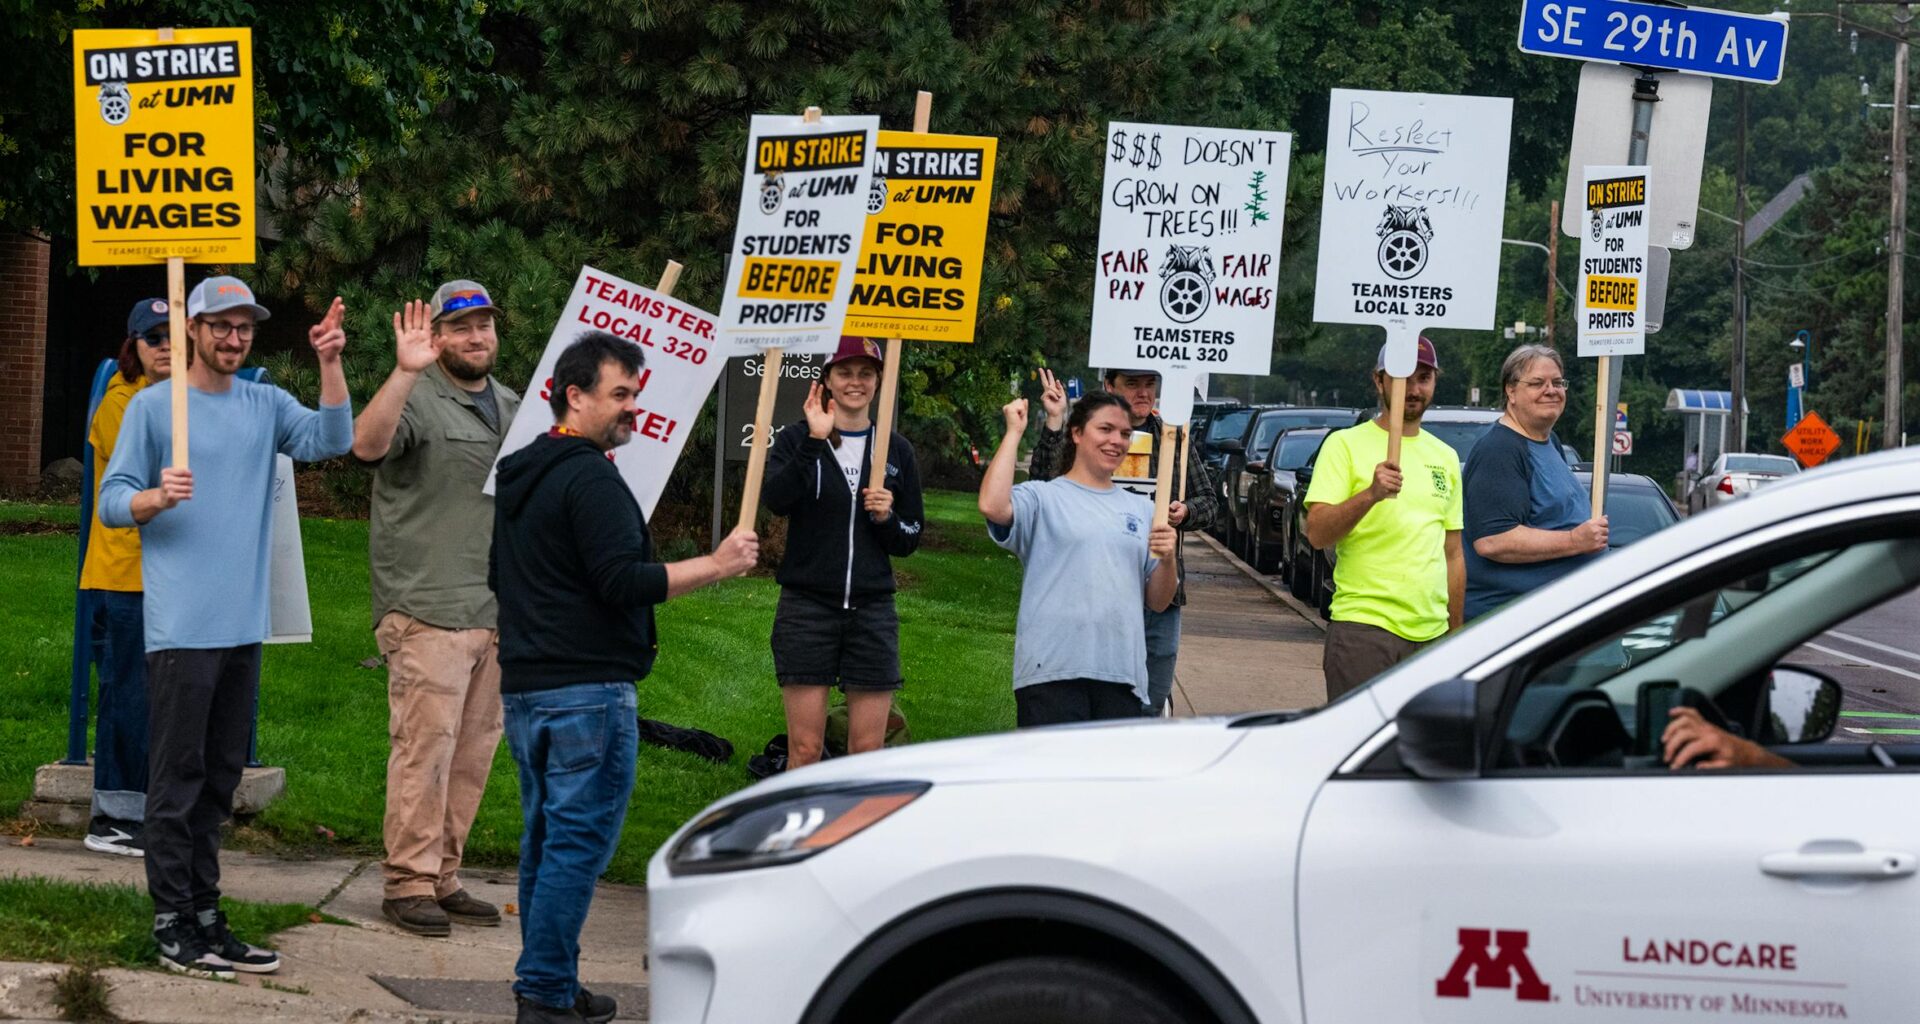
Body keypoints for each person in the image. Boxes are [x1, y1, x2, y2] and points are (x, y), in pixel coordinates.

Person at [490, 331, 758, 1024]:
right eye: (619, 394)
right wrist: (718, 564)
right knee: (575, 847)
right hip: (586, 693)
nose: (632, 407)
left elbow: (503, 576)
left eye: (636, 394)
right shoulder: (588, 477)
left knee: (546, 842)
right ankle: (544, 995)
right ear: (573, 396)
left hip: (527, 688)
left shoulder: (524, 471)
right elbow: (622, 581)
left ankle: (551, 979)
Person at [99, 276, 353, 978]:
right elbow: (111, 503)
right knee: (176, 783)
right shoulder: (155, 409)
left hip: (243, 626)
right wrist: (154, 496)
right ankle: (170, 922)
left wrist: (331, 362)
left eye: (245, 328)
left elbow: (332, 439)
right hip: (182, 628)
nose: (235, 338)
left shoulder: (265, 403)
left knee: (219, 782)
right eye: (223, 326)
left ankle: (208, 917)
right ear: (195, 329)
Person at [350, 281, 521, 937]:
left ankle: (443, 876)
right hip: (426, 605)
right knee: (426, 749)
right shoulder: (415, 395)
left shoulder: (511, 406)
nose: (477, 337)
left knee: (473, 754)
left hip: (494, 610)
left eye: (484, 324)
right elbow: (365, 446)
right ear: (438, 337)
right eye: (461, 327)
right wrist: (402, 370)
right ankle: (408, 883)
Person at [762, 335, 924, 769]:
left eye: (866, 373)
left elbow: (909, 537)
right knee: (805, 749)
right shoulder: (798, 439)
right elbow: (775, 499)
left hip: (872, 612)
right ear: (827, 381)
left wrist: (888, 518)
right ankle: (803, 835)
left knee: (867, 753)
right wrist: (815, 441)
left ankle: (853, 834)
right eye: (845, 372)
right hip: (807, 607)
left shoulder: (897, 450)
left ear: (878, 382)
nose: (856, 382)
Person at [979, 392, 1178, 725]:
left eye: (1125, 433)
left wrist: (1169, 559)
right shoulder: (1043, 497)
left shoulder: (1143, 510)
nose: (1117, 441)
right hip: (1051, 672)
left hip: (1121, 676)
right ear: (1076, 433)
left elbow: (1158, 602)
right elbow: (993, 506)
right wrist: (1014, 432)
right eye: (1105, 429)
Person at [1029, 367, 1213, 715]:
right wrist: (1055, 422)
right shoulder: (1088, 439)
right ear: (1110, 386)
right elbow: (1043, 481)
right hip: (1096, 588)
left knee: (1151, 699)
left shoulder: (1174, 438)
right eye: (1132, 384)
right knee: (1095, 700)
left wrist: (1183, 512)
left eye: (1150, 384)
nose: (1143, 393)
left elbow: (1209, 501)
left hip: (1160, 588)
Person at [1303, 337, 1464, 700]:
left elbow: (1452, 553)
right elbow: (1317, 533)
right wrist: (1371, 495)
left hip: (1431, 636)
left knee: (1423, 753)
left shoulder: (1447, 457)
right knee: (1362, 751)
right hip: (1365, 629)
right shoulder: (1344, 445)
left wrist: (1455, 635)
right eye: (1403, 377)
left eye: (1424, 378)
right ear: (1379, 381)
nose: (1414, 388)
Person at [80, 298, 173, 857]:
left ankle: (147, 808)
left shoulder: (179, 399)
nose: (164, 347)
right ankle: (111, 817)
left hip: (168, 572)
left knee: (162, 694)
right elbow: (148, 472)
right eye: (153, 338)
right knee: (128, 692)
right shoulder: (119, 403)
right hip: (124, 574)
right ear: (133, 346)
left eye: (172, 338)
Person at [1461, 345, 1608, 619]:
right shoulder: (1500, 449)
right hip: (1517, 625)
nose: (1551, 390)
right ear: (1511, 391)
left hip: (1562, 617)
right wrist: (1575, 541)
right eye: (1537, 383)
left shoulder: (1549, 442)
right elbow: (1494, 540)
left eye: (1557, 382)